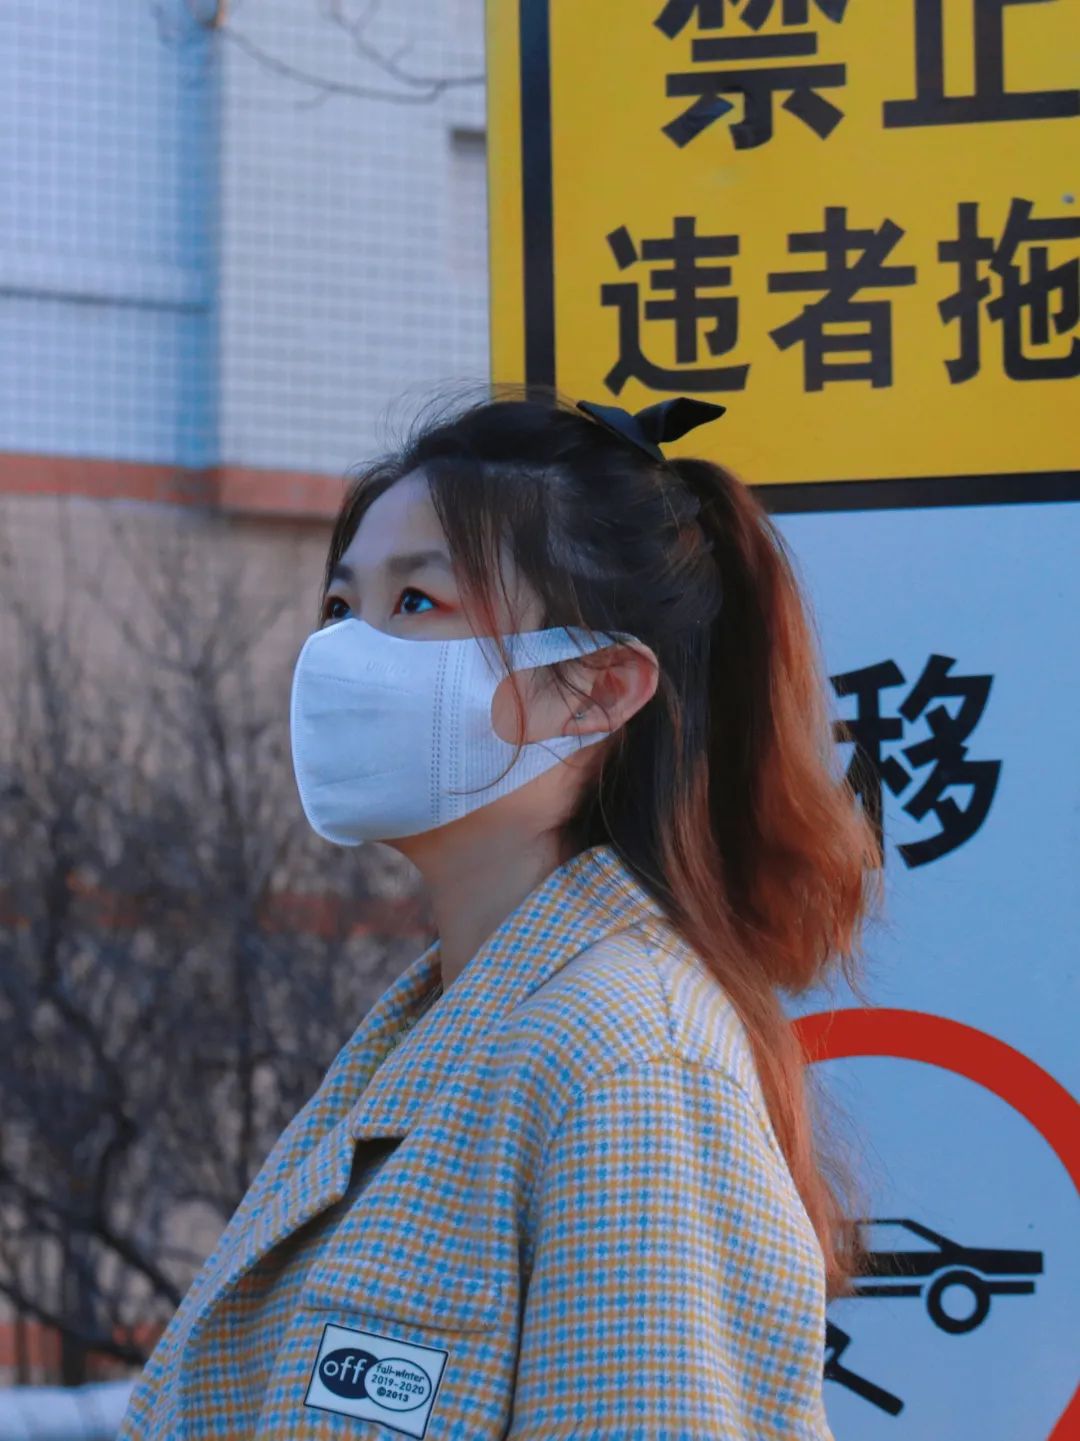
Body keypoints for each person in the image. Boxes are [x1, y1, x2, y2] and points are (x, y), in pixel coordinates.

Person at [118, 391, 879, 1439]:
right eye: (340, 606)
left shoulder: (623, 1053)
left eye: (416, 601)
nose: (343, 653)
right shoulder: (446, 1032)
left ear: (596, 687)